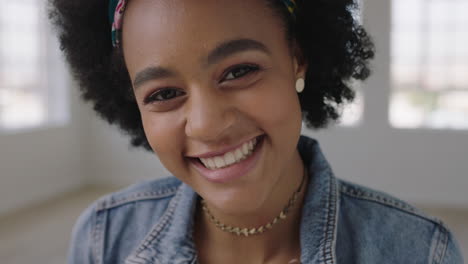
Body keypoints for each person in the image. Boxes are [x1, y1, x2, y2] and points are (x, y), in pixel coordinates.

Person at [49, 0, 463, 263]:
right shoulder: (104, 238)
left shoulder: (420, 250)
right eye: (165, 93)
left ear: (296, 58)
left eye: (239, 71)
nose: (208, 125)